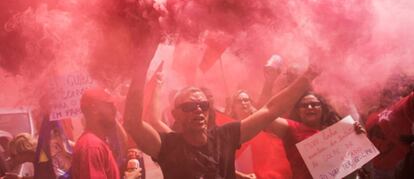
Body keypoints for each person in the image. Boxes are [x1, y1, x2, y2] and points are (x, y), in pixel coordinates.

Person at [123, 38, 318, 179]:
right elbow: (132, 121)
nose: (198, 110)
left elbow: (270, 110)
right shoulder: (168, 146)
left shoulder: (225, 136)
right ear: (176, 115)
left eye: (203, 105)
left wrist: (308, 76)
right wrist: (141, 64)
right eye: (189, 106)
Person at [71, 87, 120, 179]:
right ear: (94, 109)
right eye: (110, 105)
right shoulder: (92, 146)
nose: (115, 109)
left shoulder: (96, 142)